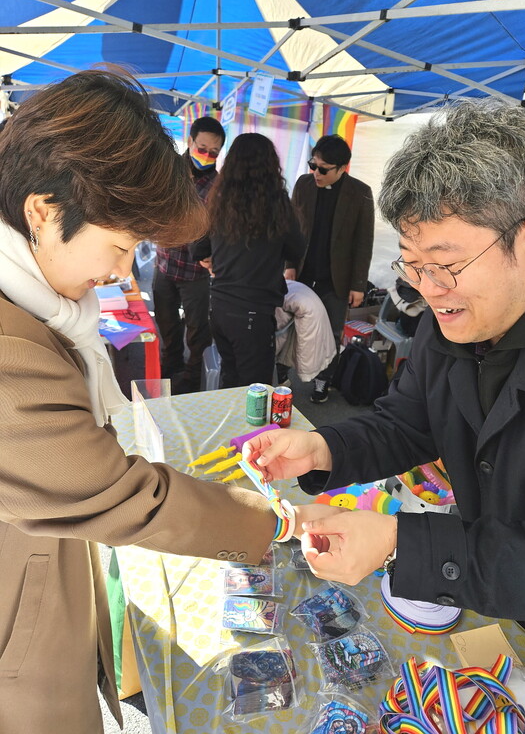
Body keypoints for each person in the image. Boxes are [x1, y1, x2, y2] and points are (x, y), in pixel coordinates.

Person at [0, 70, 333, 734]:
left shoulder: (38, 305)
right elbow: (126, 496)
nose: (125, 273)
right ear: (43, 210)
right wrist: (276, 527)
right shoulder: (14, 351)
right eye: (120, 247)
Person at [244, 99, 525, 659]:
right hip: (498, 597)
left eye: (445, 263)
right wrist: (321, 447)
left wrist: (395, 541)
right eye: (412, 264)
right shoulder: (453, 323)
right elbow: (409, 422)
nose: (427, 288)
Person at [194, 132, 305, 387]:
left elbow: (197, 249)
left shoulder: (218, 202)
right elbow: (296, 249)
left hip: (219, 306)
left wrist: (214, 258)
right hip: (253, 312)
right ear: (270, 166)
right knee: (256, 389)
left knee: (230, 378)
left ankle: (231, 427)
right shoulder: (278, 207)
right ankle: (253, 430)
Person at [287, 134, 374, 403]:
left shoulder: (360, 193)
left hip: (336, 278)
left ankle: (323, 382)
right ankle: (282, 375)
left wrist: (358, 285)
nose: (316, 173)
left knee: (332, 331)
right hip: (301, 272)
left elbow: (364, 242)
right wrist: (289, 264)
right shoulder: (303, 184)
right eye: (313, 165)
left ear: (342, 168)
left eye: (323, 169)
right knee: (290, 327)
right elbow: (291, 227)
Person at [152, 116, 225, 394]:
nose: (206, 156)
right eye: (202, 148)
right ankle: (168, 374)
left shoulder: (220, 186)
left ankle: (193, 381)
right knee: (167, 326)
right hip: (165, 264)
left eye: (214, 152)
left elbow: (218, 229)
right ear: (191, 141)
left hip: (195, 272)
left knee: (197, 332)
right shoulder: (169, 170)